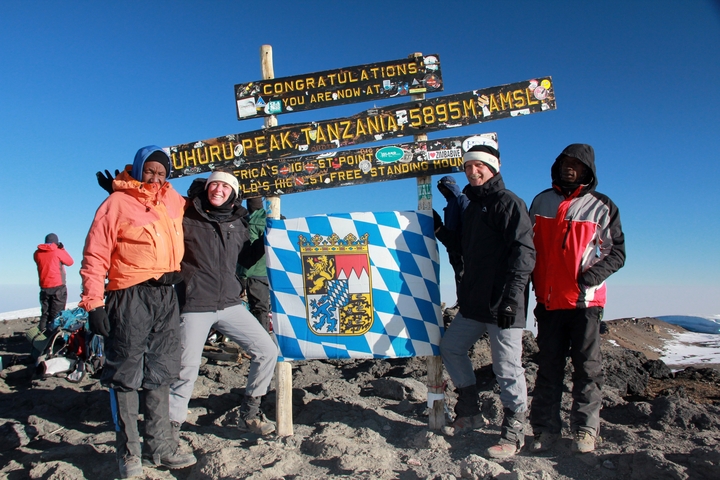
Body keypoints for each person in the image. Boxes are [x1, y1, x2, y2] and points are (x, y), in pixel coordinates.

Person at [81, 146, 196, 478]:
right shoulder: (115, 203)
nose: (156, 177)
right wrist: (94, 303)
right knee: (125, 374)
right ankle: (129, 454)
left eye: (162, 172)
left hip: (165, 295)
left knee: (161, 369)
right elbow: (95, 254)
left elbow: (195, 213)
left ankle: (160, 446)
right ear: (138, 168)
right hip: (129, 294)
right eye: (150, 170)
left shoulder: (172, 200)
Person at [434, 144, 535, 459]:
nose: (473, 172)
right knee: (450, 347)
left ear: (494, 168)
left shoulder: (508, 203)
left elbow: (525, 254)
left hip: (504, 304)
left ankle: (514, 432)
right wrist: (438, 228)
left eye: (480, 166)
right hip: (475, 303)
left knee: (507, 367)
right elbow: (464, 247)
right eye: (468, 167)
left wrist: (511, 300)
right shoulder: (473, 207)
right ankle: (471, 410)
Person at [528, 144, 625, 454]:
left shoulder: (601, 206)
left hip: (585, 304)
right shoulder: (541, 201)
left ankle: (585, 429)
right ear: (558, 166)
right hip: (548, 301)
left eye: (578, 165)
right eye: (566, 163)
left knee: (588, 368)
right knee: (548, 366)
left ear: (587, 171)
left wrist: (588, 279)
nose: (570, 168)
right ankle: (545, 428)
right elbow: (527, 246)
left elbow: (616, 252)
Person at [169, 172, 278, 439]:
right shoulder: (187, 214)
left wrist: (267, 241)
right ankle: (168, 430)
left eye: (226, 186)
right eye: (215, 184)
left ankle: (249, 414)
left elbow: (245, 259)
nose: (219, 189)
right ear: (207, 188)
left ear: (233, 192)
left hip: (230, 303)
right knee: (186, 367)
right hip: (195, 303)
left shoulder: (237, 221)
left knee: (267, 351)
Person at [237, 196, 272, 333]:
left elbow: (246, 250)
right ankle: (263, 341)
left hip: (250, 272)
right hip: (266, 271)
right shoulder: (272, 218)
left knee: (248, 308)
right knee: (261, 308)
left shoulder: (249, 220)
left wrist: (243, 274)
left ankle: (254, 342)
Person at [436, 176, 469, 311]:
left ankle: (466, 303)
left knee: (463, 274)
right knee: (458, 274)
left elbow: (468, 222)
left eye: (444, 188)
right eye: (441, 189)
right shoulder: (450, 204)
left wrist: (464, 243)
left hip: (461, 246)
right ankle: (461, 301)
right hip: (452, 246)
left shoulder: (462, 199)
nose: (442, 191)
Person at [33, 233, 74, 331]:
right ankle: (55, 340)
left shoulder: (37, 253)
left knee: (45, 313)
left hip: (44, 287)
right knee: (57, 315)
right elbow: (70, 262)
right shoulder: (57, 251)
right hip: (58, 287)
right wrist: (62, 249)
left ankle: (42, 335)